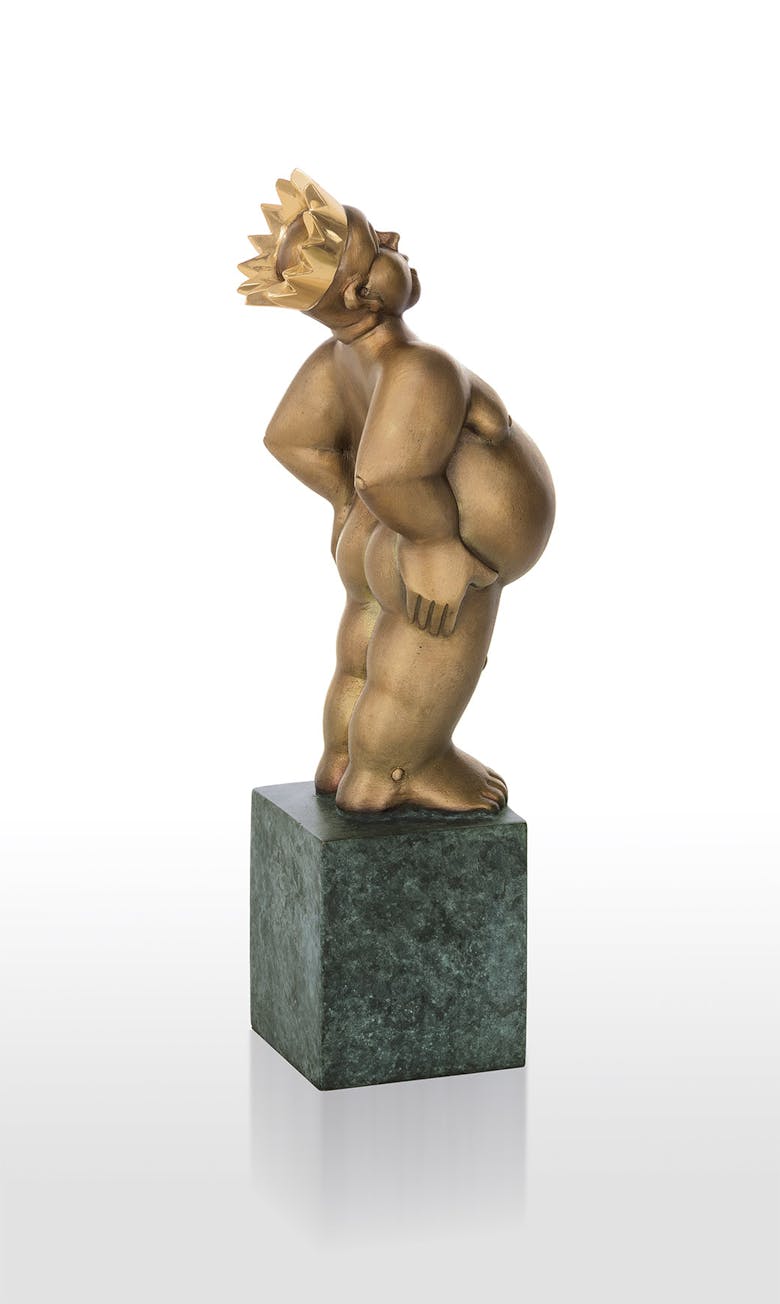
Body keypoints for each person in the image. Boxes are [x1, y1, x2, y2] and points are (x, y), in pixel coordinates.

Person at [239, 171, 555, 813]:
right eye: (376, 245)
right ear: (363, 293)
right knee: (422, 665)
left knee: (365, 654)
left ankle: (342, 757)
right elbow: (390, 474)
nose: (393, 238)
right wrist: (436, 543)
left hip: (381, 530)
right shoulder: (419, 365)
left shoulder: (340, 359)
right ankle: (394, 770)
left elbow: (292, 439)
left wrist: (347, 501)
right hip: (434, 550)